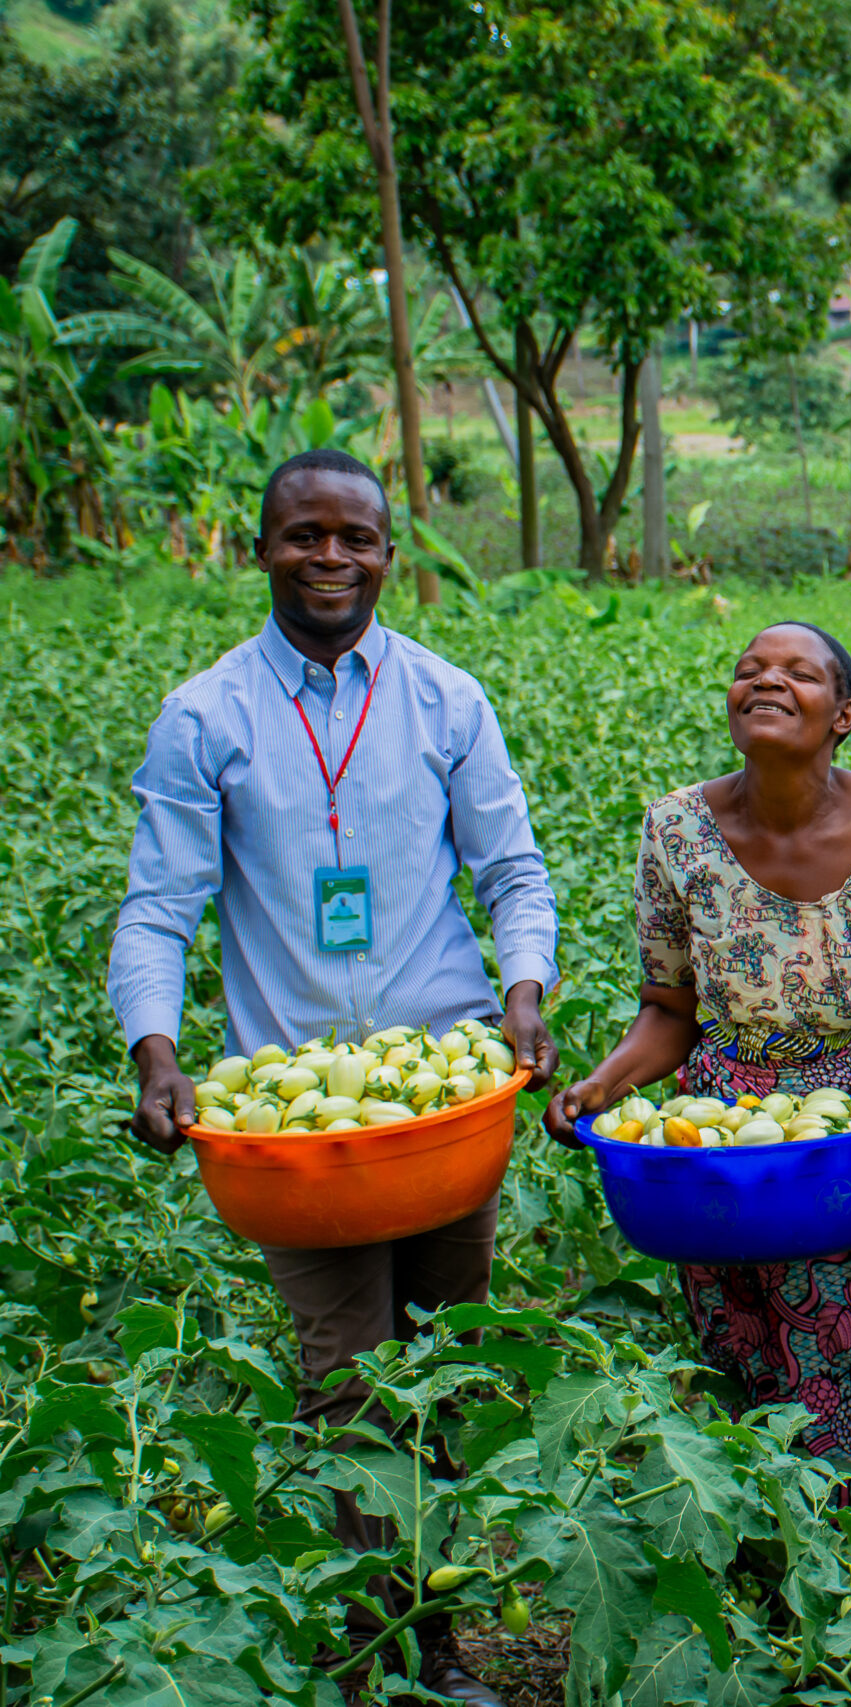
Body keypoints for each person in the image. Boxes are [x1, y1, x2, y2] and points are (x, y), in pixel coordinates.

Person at [111, 447, 561, 1706]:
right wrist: (158, 1050)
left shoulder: (444, 701)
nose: (329, 558)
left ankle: (424, 1622)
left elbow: (511, 870)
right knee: (349, 1368)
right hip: (294, 1116)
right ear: (261, 549)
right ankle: (388, 1646)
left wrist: (525, 994)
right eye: (304, 535)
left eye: (354, 537)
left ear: (387, 556)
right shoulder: (207, 715)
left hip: (446, 1092)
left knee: (446, 1349)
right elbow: (160, 908)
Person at [543, 622, 851, 1505]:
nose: (767, 681)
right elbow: (668, 1011)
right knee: (748, 1339)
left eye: (798, 673)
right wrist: (601, 1087)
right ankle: (767, 1536)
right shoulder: (677, 831)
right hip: (723, 1134)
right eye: (749, 670)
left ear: (844, 714)